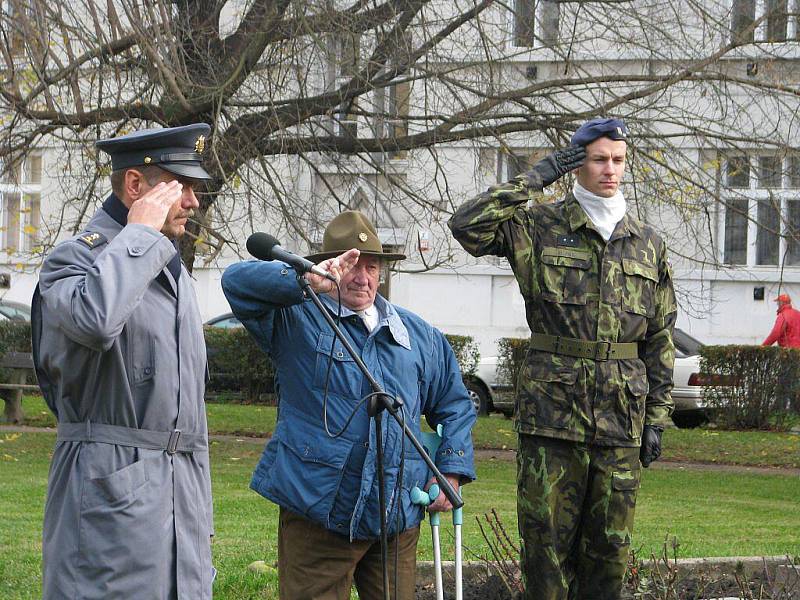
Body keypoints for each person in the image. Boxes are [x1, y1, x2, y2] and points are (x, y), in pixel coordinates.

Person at [449, 117, 677, 600]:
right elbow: (466, 224)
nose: (609, 169)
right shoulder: (538, 226)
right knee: (545, 559)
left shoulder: (648, 243)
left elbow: (659, 337)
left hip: (620, 424)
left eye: (617, 159)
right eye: (598, 159)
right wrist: (535, 178)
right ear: (576, 164)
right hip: (552, 422)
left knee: (609, 562)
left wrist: (655, 418)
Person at [221, 210, 476, 599]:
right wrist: (304, 279)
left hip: (396, 518)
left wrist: (451, 471)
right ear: (330, 266)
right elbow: (236, 283)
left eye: (372, 265)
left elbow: (456, 405)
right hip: (318, 513)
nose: (363, 276)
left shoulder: (418, 334)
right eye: (352, 265)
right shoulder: (296, 318)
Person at [32, 124, 215, 599]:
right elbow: (95, 319)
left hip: (183, 509)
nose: (193, 202)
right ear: (136, 186)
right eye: (182, 186)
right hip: (109, 506)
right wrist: (137, 234)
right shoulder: (72, 261)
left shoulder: (172, 271)